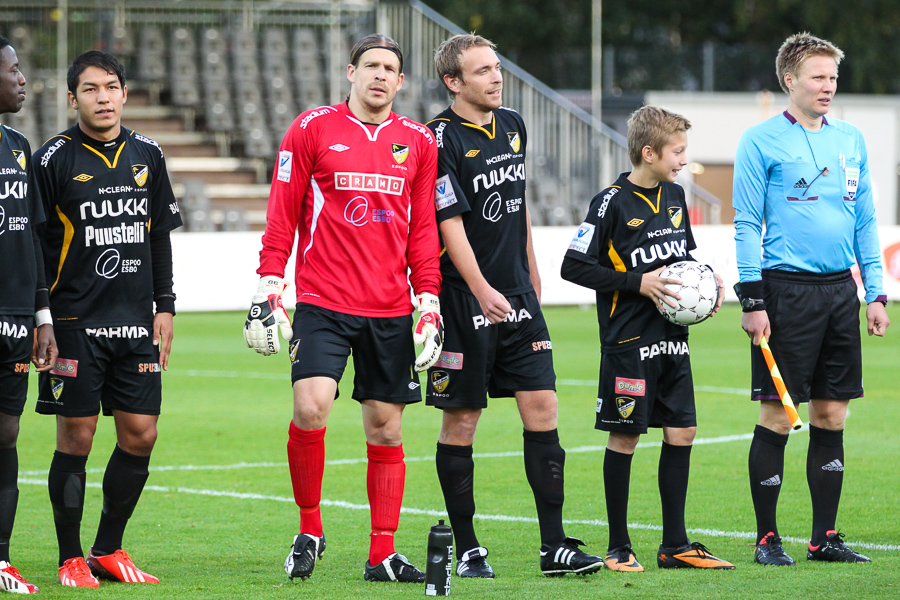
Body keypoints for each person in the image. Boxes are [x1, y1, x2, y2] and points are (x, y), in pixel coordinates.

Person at [244, 33, 443, 583]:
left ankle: (382, 554)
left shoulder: (419, 142)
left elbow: (423, 227)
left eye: (390, 69)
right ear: (350, 72)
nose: (380, 75)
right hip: (322, 301)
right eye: (371, 65)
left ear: (401, 82)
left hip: (388, 308)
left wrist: (428, 300)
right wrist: (269, 285)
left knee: (385, 428)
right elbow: (282, 213)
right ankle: (310, 530)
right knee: (311, 407)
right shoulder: (311, 129)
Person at [424, 33, 603, 579]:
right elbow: (447, 222)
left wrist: (530, 269)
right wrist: (480, 287)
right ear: (454, 82)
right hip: (462, 298)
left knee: (543, 409)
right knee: (463, 419)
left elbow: (518, 205)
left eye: (497, 67)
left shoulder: (514, 126)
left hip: (518, 296)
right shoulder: (437, 140)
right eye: (482, 72)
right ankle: (470, 545)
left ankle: (555, 547)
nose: (496, 78)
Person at [733, 32, 890, 566]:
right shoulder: (760, 141)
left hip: (840, 294)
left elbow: (865, 220)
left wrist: (876, 293)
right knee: (779, 415)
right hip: (785, 293)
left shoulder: (850, 138)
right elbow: (746, 224)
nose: (829, 87)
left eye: (833, 78)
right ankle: (766, 539)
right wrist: (752, 300)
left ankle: (824, 538)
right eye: (818, 77)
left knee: (832, 415)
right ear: (790, 81)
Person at [31, 50, 182, 587]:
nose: (103, 97)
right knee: (77, 437)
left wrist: (165, 306)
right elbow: (36, 247)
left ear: (124, 93)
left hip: (137, 322)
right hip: (74, 321)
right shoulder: (52, 159)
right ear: (72, 98)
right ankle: (70, 556)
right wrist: (41, 315)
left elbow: (158, 234)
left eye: (111, 87)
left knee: (141, 435)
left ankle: (107, 549)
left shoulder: (149, 153)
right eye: (90, 89)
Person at [561, 105, 735, 572]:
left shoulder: (676, 195)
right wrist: (638, 283)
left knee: (683, 431)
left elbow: (682, 257)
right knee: (626, 438)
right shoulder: (609, 202)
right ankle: (619, 546)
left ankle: (675, 545)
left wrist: (707, 284)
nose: (683, 160)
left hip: (671, 338)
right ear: (648, 152)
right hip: (627, 342)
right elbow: (572, 266)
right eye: (677, 152)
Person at [0, 34, 58, 595]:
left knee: (7, 433)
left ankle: (0, 557)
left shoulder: (18, 146)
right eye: (13, 69)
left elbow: (33, 239)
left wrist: (43, 315)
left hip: (17, 318)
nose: (22, 79)